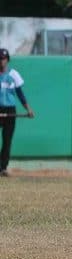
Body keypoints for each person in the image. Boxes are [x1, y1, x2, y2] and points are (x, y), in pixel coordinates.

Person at [0, 48, 35, 176]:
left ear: (7, 60)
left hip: (10, 110)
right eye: (0, 59)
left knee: (7, 140)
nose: (1, 62)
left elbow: (20, 94)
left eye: (3, 59)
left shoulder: (13, 74)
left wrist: (28, 109)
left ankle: (3, 167)